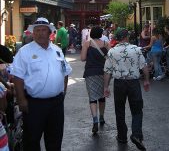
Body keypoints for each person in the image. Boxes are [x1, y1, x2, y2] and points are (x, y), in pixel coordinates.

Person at [11, 17, 72, 151]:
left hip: (56, 104)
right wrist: (21, 100)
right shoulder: (25, 51)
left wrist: (64, 92)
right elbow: (18, 77)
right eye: (37, 30)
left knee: (55, 139)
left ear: (50, 32)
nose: (40, 33)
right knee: (32, 140)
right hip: (34, 104)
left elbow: (65, 71)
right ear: (33, 33)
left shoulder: (57, 50)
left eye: (43, 30)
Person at [104, 28, 150, 151]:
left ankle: (122, 136)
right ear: (126, 37)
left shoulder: (112, 51)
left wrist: (106, 87)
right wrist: (146, 80)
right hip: (133, 83)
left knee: (119, 110)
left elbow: (107, 71)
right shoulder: (136, 49)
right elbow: (144, 66)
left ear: (118, 38)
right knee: (137, 110)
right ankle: (136, 135)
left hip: (119, 83)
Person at [81, 26, 110, 134]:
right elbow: (111, 57)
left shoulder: (87, 43)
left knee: (92, 98)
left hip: (90, 73)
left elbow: (83, 58)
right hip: (103, 73)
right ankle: (102, 117)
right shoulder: (106, 44)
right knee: (102, 96)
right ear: (101, 34)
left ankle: (95, 120)